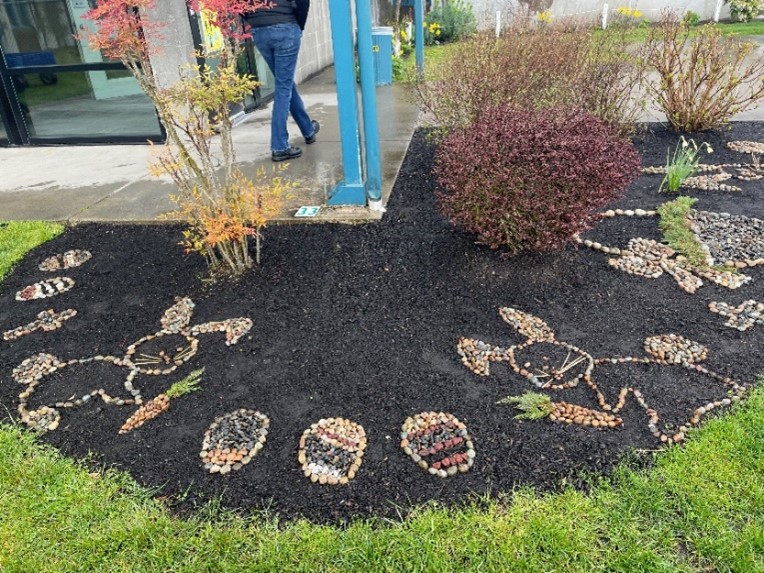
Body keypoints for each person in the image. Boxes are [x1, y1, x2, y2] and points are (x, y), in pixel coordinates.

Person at [244, 0, 319, 162]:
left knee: (284, 83)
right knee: (283, 88)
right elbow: (303, 3)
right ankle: (280, 147)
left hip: (260, 31)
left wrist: (253, 20)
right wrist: (299, 26)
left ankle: (308, 129)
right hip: (285, 27)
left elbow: (236, 5)